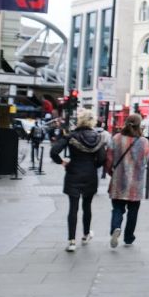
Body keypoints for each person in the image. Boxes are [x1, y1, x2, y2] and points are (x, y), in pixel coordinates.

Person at [50, 108, 106, 252]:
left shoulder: (70, 136)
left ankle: (71, 241)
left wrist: (62, 162)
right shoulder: (98, 138)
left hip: (73, 173)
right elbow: (101, 160)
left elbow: (54, 151)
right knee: (87, 206)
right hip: (90, 175)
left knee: (73, 208)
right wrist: (92, 166)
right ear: (92, 121)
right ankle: (86, 234)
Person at [106, 113, 149, 248]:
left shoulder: (116, 138)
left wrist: (110, 172)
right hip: (135, 184)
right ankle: (129, 237)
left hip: (119, 180)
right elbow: (145, 161)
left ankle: (115, 228)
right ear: (139, 125)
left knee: (117, 208)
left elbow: (109, 160)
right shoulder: (144, 142)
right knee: (133, 211)